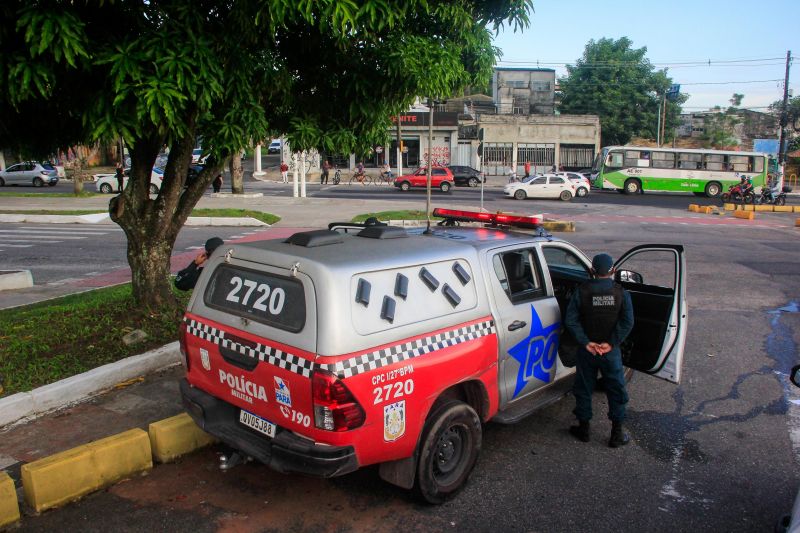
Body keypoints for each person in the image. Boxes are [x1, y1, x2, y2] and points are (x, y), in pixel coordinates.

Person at [564, 253, 634, 448]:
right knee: (616, 389)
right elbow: (628, 322)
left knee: (584, 388)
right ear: (612, 271)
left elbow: (571, 320)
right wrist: (610, 344)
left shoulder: (581, 291)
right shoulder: (621, 293)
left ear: (592, 271)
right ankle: (616, 434)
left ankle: (584, 429)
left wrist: (586, 343)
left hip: (588, 351)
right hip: (610, 352)